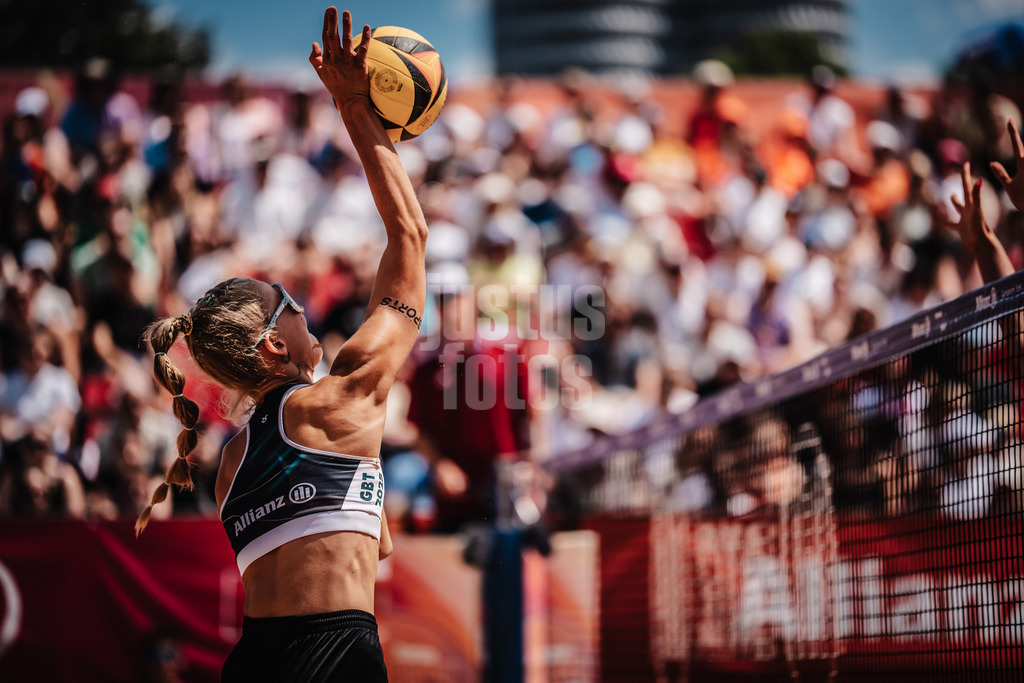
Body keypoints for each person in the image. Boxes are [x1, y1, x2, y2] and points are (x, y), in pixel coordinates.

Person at [134, 8, 428, 682]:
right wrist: (354, 106)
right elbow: (409, 236)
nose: (302, 305)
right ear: (270, 347)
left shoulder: (232, 460)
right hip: (333, 656)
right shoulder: (336, 403)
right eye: (289, 304)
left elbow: (360, 531)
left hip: (257, 660)